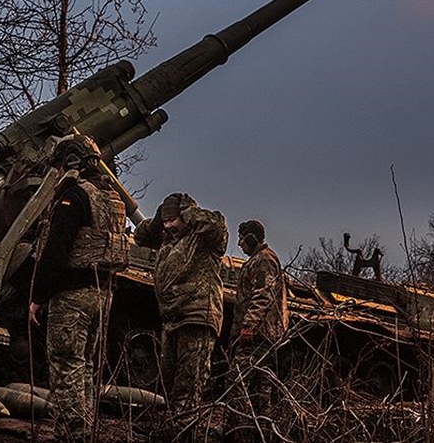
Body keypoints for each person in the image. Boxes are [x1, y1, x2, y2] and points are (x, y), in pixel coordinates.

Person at [27, 134, 128, 442]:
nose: (56, 172)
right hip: (103, 294)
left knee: (66, 368)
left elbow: (56, 249)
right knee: (84, 370)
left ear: (70, 163)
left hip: (72, 296)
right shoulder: (113, 198)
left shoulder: (74, 194)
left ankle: (72, 436)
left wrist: (38, 297)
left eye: (58, 166)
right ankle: (84, 432)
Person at [133, 193, 227, 441]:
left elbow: (217, 225)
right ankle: (171, 431)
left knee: (189, 382)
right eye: (166, 221)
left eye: (173, 220)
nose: (168, 225)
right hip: (173, 318)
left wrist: (187, 211)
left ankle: (183, 434)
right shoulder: (167, 238)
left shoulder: (204, 238)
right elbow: (140, 236)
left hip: (197, 317)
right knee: (168, 381)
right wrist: (160, 217)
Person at [228, 219, 289, 442]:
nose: (240, 243)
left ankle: (234, 432)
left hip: (258, 336)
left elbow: (262, 295)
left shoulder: (264, 260)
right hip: (261, 335)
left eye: (242, 238)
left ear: (252, 238)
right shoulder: (259, 259)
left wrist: (248, 326)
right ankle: (260, 433)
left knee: (237, 382)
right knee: (259, 388)